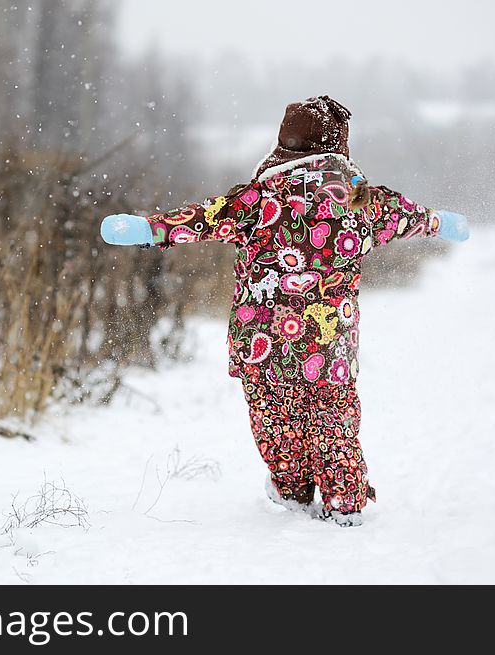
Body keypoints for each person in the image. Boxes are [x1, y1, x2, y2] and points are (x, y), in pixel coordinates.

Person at [100, 96, 469, 526]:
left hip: (263, 345)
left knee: (276, 423)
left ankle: (292, 490)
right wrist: (439, 221)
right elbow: (408, 216)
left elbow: (204, 218)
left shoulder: (258, 200)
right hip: (328, 347)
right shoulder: (360, 201)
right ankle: (344, 500)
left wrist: (150, 228)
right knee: (333, 422)